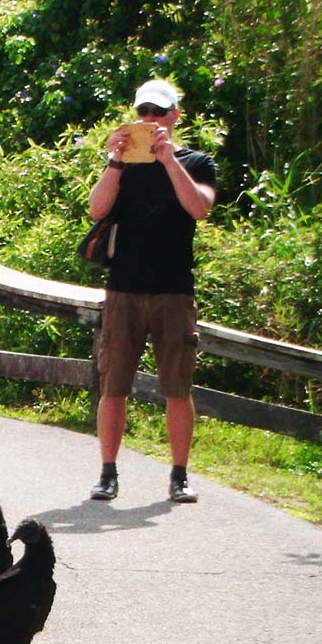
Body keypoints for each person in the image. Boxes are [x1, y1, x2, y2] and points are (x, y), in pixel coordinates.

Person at [86, 78, 217, 504]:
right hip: (123, 289)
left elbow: (199, 208)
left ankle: (179, 476)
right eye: (143, 112)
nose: (149, 119)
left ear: (174, 115)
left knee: (177, 387)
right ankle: (108, 473)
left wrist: (168, 160)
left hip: (174, 291)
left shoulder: (197, 162)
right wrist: (115, 161)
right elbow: (97, 209)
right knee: (113, 386)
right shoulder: (123, 165)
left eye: (158, 112)